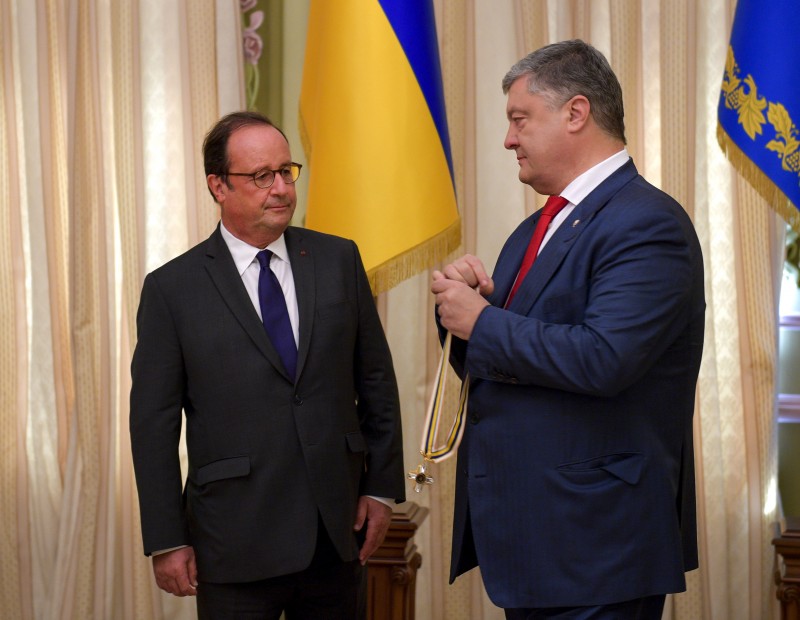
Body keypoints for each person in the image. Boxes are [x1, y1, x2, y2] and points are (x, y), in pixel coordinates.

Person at [432, 40, 704, 619]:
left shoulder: (647, 222)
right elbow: (501, 365)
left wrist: (483, 321)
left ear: (576, 112)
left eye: (519, 119)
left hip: (598, 545)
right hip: (539, 538)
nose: (508, 139)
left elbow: (605, 358)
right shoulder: (536, 227)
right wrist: (462, 312)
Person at [130, 111, 405, 619]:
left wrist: (381, 489)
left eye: (286, 171)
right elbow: (153, 425)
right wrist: (167, 538)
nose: (280, 188)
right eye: (261, 176)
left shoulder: (339, 260)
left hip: (334, 532)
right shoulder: (172, 289)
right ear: (218, 185)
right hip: (233, 540)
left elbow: (376, 383)